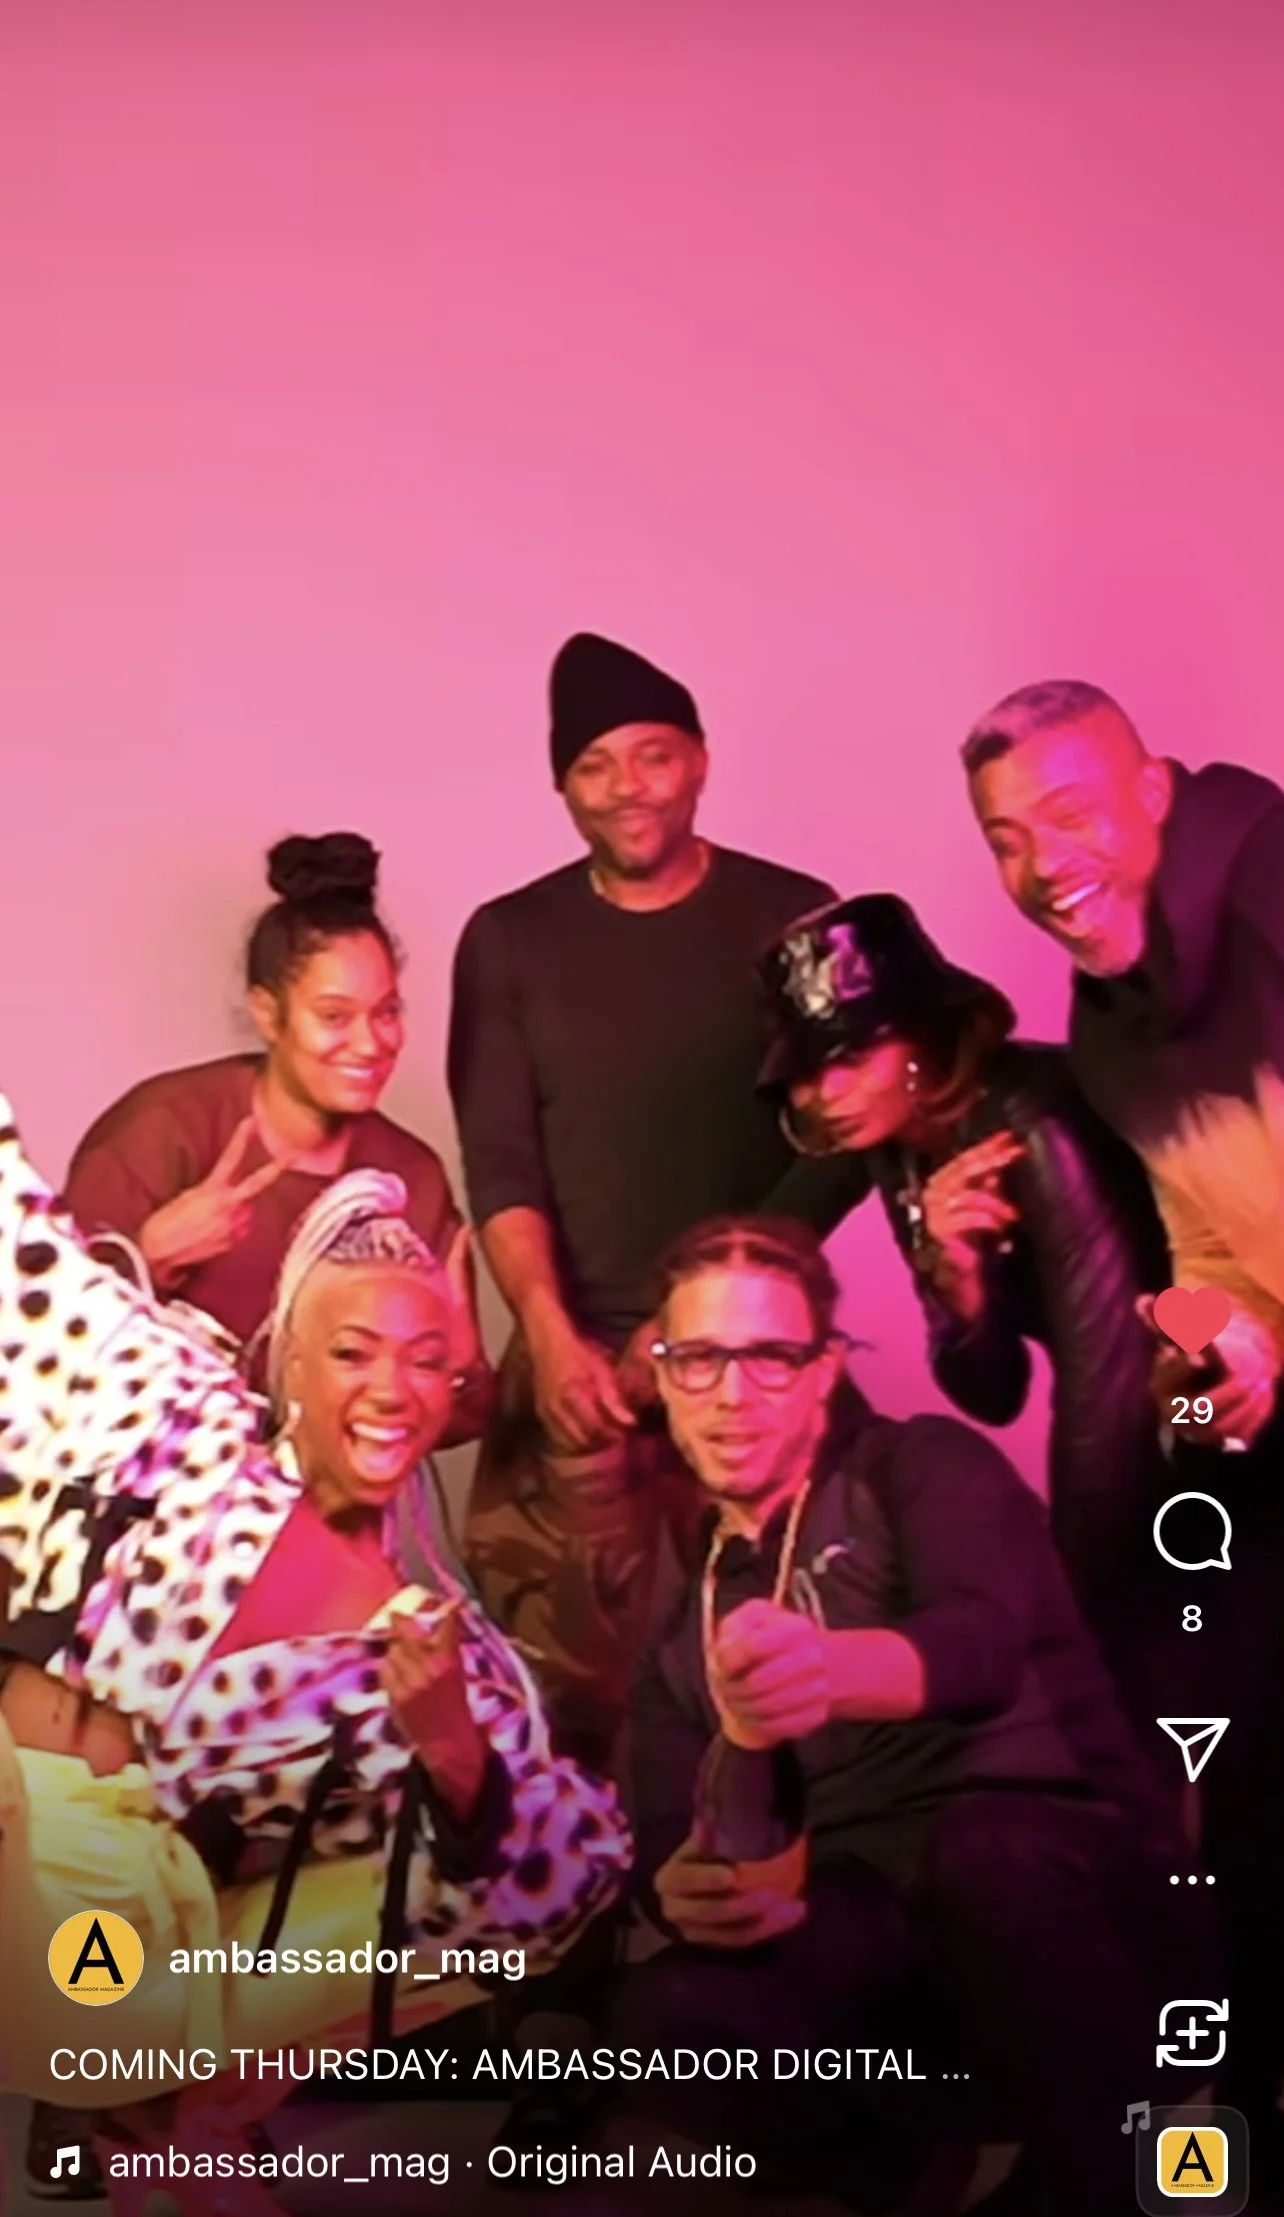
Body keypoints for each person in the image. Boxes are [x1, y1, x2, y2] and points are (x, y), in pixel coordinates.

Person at [0, 1114, 630, 2058]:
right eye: (352, 1352)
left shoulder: (406, 1645)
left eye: (428, 1360)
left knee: (132, 2053)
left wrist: (456, 1753)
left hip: (108, 1951)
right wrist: (140, 1252)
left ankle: (165, 2098)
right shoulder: (180, 1419)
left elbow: (569, 1873)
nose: (393, 1388)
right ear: (287, 1357)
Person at [618, 1216, 1211, 2217]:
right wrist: (679, 1889)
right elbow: (665, 1836)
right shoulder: (681, 1627)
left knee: (986, 1851)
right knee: (662, 2016)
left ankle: (1105, 2177)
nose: (730, 1392)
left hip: (1090, 1903)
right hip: (889, 1947)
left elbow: (978, 1644)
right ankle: (895, 2162)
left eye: (768, 1356)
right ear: (664, 1376)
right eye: (700, 1359)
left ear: (823, 1370)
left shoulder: (921, 1466)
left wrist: (827, 1670)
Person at [962, 676, 1284, 2169]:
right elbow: (1210, 1246)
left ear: (1158, 790)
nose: (1041, 864)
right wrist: (1235, 1339)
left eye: (1072, 811)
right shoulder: (1105, 1026)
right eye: (1007, 838)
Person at [448, 632, 860, 1764]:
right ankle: (584, 1927)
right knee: (577, 1704)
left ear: (702, 761)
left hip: (753, 1357)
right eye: (596, 766)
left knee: (779, 1684)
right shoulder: (507, 941)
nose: (628, 788)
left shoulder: (801, 919)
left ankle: (774, 1919)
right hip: (575, 1373)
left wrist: (695, 1332)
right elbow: (502, 1160)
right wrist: (552, 1337)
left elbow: (841, 1143)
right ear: (562, 786)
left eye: (655, 755)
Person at [754, 891, 1170, 1678]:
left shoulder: (1034, 1125)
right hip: (1157, 1449)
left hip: (1219, 1415)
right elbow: (991, 1390)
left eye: (848, 1058)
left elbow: (1109, 1388)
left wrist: (1066, 1608)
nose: (825, 1095)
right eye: (808, 1072)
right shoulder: (900, 1142)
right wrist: (958, 1281)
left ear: (923, 1036)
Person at [65, 830, 492, 1451]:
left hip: (321, 1525)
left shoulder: (408, 1178)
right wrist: (148, 1258)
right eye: (335, 1016)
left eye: (387, 1011)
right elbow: (41, 1360)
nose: (371, 1043)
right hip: (153, 1509)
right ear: (268, 1013)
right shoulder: (163, 1132)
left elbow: (459, 1418)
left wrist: (450, 1368)